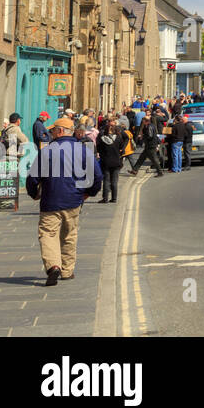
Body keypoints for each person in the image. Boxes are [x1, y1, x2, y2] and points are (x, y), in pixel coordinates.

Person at [25, 116, 101, 285]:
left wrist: (33, 193)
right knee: (69, 235)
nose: (50, 133)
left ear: (60, 131)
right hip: (74, 200)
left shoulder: (47, 151)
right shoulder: (83, 150)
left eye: (52, 131)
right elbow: (97, 176)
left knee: (48, 234)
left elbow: (32, 178)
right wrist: (89, 193)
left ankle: (53, 266)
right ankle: (67, 271)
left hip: (50, 200)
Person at [96, 121, 129, 204]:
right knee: (114, 181)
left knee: (106, 180)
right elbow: (121, 147)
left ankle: (105, 198)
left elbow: (99, 149)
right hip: (116, 161)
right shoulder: (118, 138)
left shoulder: (102, 138)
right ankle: (114, 198)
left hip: (106, 161)